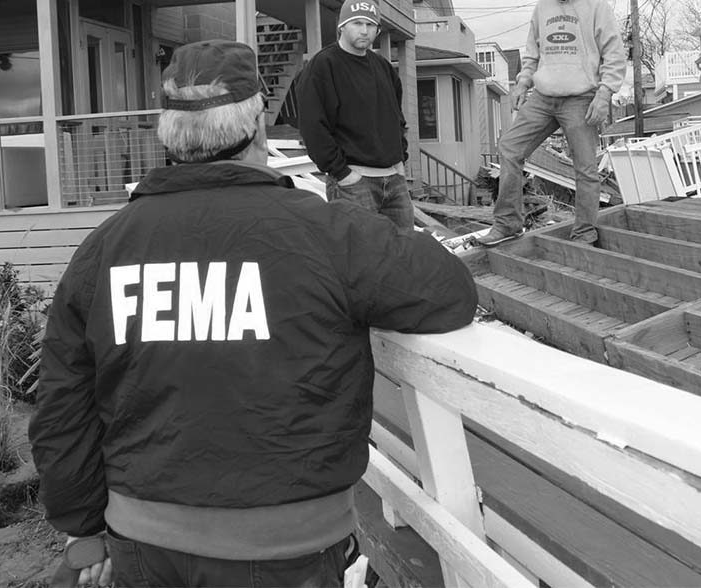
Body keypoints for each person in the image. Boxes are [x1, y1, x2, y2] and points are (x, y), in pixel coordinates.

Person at [29, 39, 478, 588]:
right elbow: (449, 290)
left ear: (168, 133)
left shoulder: (103, 251)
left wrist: (80, 528)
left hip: (142, 545)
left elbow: (61, 405)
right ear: (258, 125)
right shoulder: (326, 233)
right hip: (291, 548)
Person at [478, 0, 626, 247]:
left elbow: (614, 53)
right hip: (544, 96)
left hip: (581, 97)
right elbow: (531, 53)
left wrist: (604, 94)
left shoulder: (596, 6)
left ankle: (584, 231)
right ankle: (507, 223)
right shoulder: (542, 8)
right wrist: (521, 83)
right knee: (509, 147)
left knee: (585, 167)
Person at [296, 0, 415, 231]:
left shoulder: (383, 67)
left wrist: (401, 160)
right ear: (342, 26)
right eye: (357, 23)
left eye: (371, 25)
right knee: (360, 260)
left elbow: (396, 118)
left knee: (405, 257)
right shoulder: (323, 67)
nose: (364, 30)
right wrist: (342, 173)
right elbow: (313, 128)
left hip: (394, 181)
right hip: (353, 184)